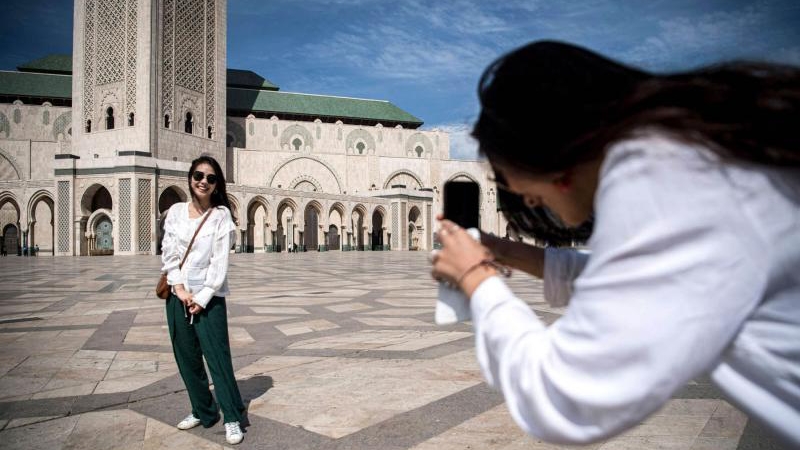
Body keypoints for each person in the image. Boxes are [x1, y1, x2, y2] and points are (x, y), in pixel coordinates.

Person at [430, 40, 800, 445]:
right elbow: (645, 281)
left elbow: (561, 396)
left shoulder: (660, 181)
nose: (523, 196)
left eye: (504, 175)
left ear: (550, 154)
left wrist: (475, 276)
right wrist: (505, 251)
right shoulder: (682, 155)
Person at [160, 155, 247, 445]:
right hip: (177, 296)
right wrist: (180, 288)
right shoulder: (174, 212)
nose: (203, 182)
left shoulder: (222, 216)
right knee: (187, 359)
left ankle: (232, 418)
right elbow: (169, 253)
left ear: (217, 184)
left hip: (209, 300)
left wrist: (204, 296)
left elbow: (219, 263)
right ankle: (203, 411)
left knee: (218, 358)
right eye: (199, 175)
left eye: (210, 178)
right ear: (190, 177)